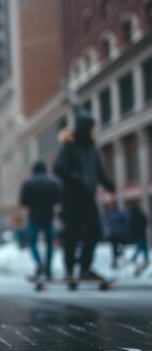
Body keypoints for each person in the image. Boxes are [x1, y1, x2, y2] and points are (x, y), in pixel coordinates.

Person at [54, 108, 115, 281]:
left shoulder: (92, 149)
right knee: (72, 233)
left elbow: (99, 171)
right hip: (72, 197)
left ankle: (84, 267)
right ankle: (69, 269)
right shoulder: (69, 146)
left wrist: (107, 183)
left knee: (95, 232)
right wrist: (76, 178)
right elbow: (59, 167)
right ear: (82, 128)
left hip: (88, 197)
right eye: (89, 127)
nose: (91, 131)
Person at [19, 161, 60, 280]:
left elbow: (24, 202)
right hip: (49, 216)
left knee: (32, 242)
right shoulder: (53, 182)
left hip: (34, 216)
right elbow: (58, 199)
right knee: (50, 243)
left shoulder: (27, 183)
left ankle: (39, 264)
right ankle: (48, 268)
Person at [104, 200, 128, 269]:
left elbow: (125, 221)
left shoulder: (119, 213)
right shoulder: (109, 214)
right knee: (114, 248)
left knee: (121, 247)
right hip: (113, 234)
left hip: (120, 233)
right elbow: (108, 224)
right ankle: (114, 262)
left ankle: (119, 255)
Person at [129, 202, 149, 275]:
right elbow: (145, 220)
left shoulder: (133, 215)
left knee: (141, 246)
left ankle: (137, 258)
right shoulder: (139, 214)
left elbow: (131, 225)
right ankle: (144, 258)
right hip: (141, 232)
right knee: (142, 246)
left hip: (138, 233)